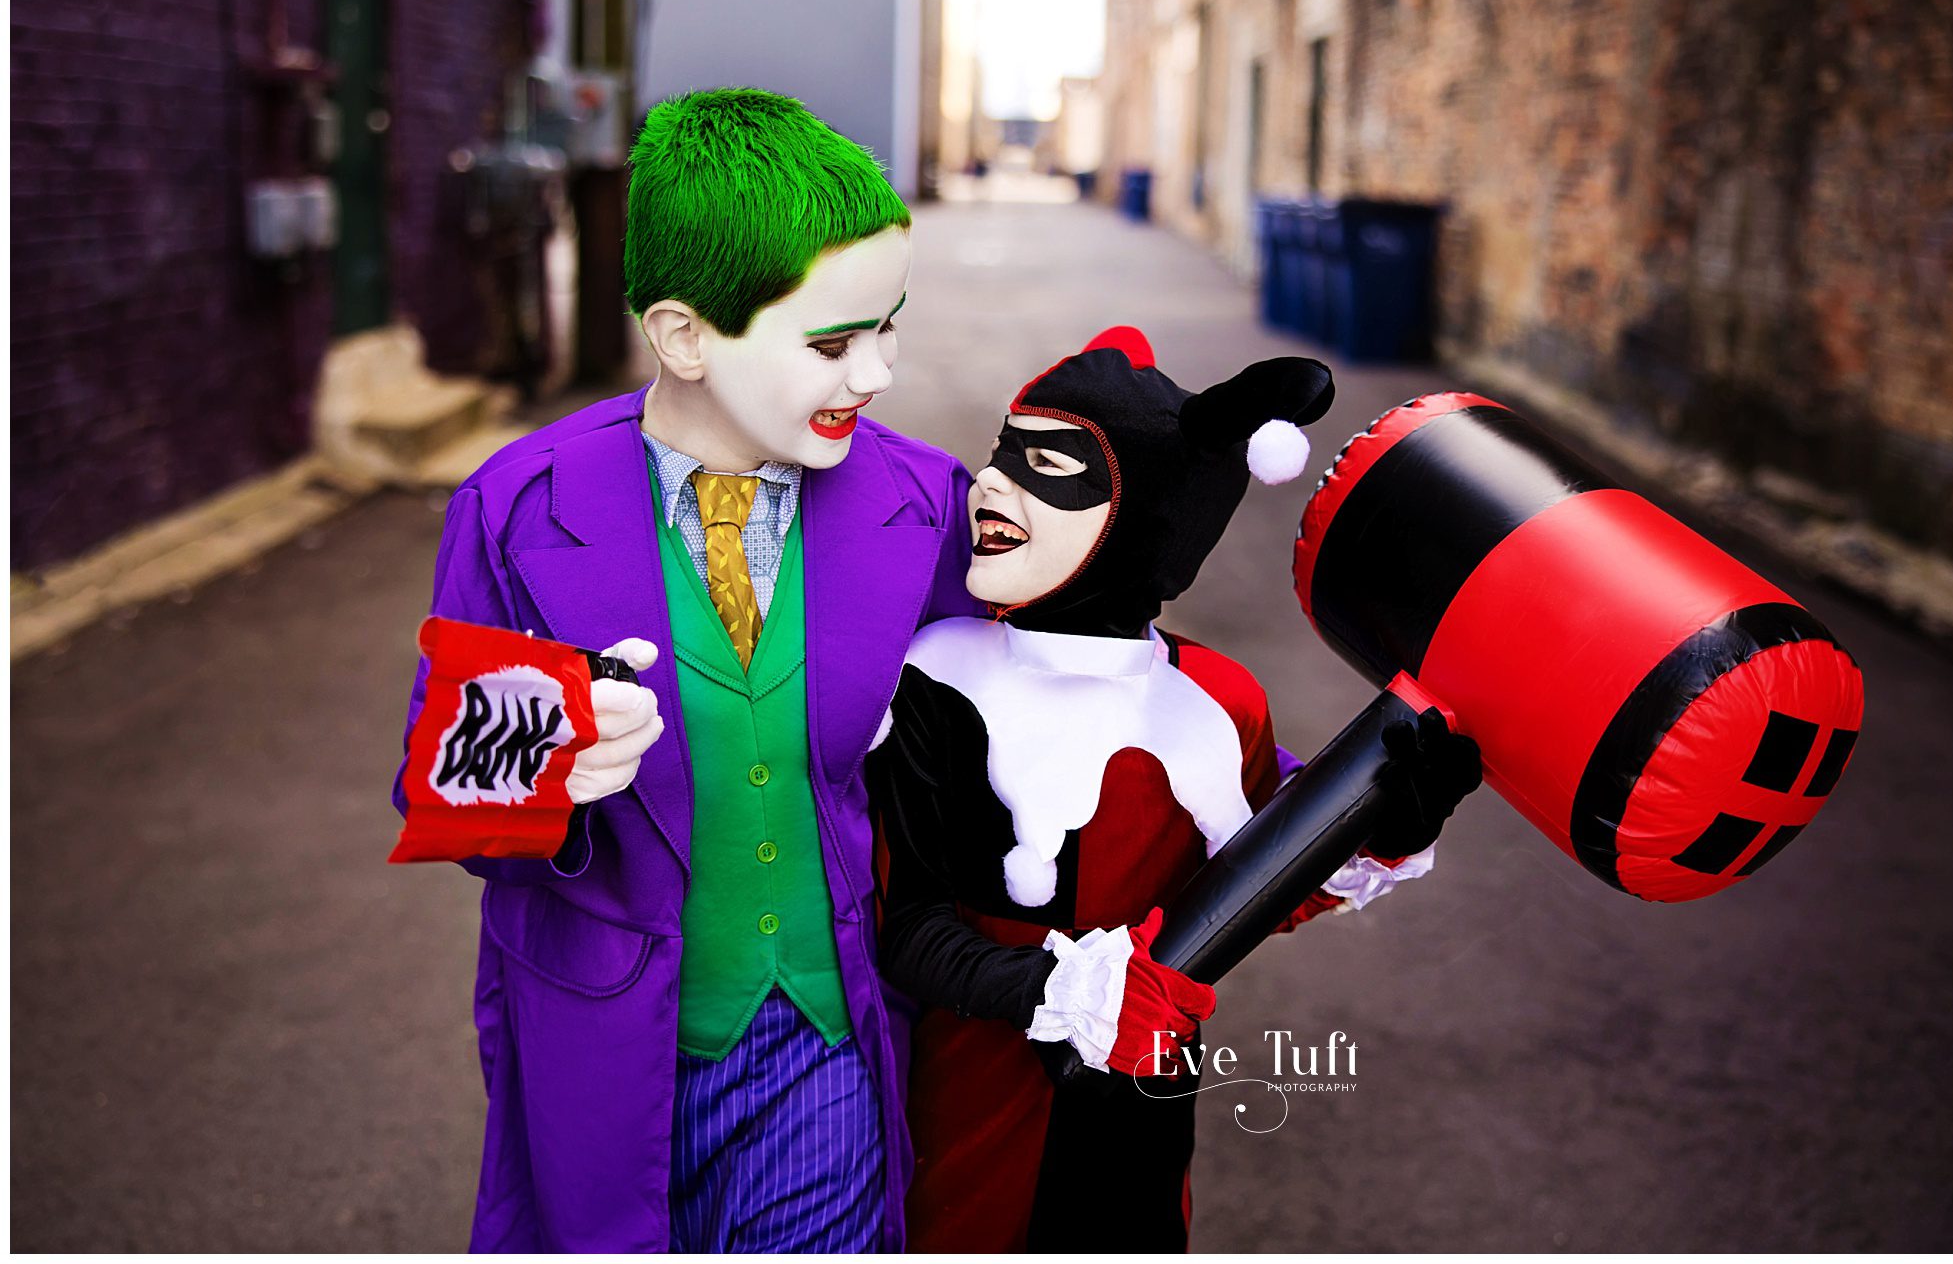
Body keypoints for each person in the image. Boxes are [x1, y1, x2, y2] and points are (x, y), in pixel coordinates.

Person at [389, 88, 982, 1252]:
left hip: (828, 1037)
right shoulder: (518, 510)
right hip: (602, 1044)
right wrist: (551, 769)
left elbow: (1051, 708)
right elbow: (444, 800)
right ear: (683, 335)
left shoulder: (925, 505)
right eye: (830, 342)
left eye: (887, 325)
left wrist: (1295, 801)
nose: (876, 373)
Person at [864, 328, 1481, 1251]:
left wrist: (1379, 829)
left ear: (1148, 513)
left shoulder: (1217, 701)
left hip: (1147, 1108)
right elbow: (905, 926)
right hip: (972, 1112)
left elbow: (1247, 893)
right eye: (1001, 453)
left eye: (1045, 465)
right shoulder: (937, 678)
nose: (989, 483)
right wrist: (1054, 990)